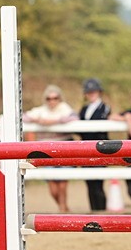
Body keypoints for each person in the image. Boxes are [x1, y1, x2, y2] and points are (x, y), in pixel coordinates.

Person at [24, 85, 76, 213]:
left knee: (62, 183)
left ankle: (62, 208)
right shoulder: (41, 110)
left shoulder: (64, 108)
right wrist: (36, 120)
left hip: (63, 149)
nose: (52, 101)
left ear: (59, 98)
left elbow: (74, 117)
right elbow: (24, 117)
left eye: (55, 98)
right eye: (49, 98)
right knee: (52, 186)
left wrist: (54, 121)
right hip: (46, 151)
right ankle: (63, 207)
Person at [77, 78, 112, 212]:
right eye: (89, 92)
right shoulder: (84, 109)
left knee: (98, 184)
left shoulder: (104, 107)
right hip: (85, 151)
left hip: (99, 150)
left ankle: (101, 211)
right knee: (89, 184)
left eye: (94, 91)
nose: (91, 94)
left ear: (99, 92)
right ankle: (93, 210)